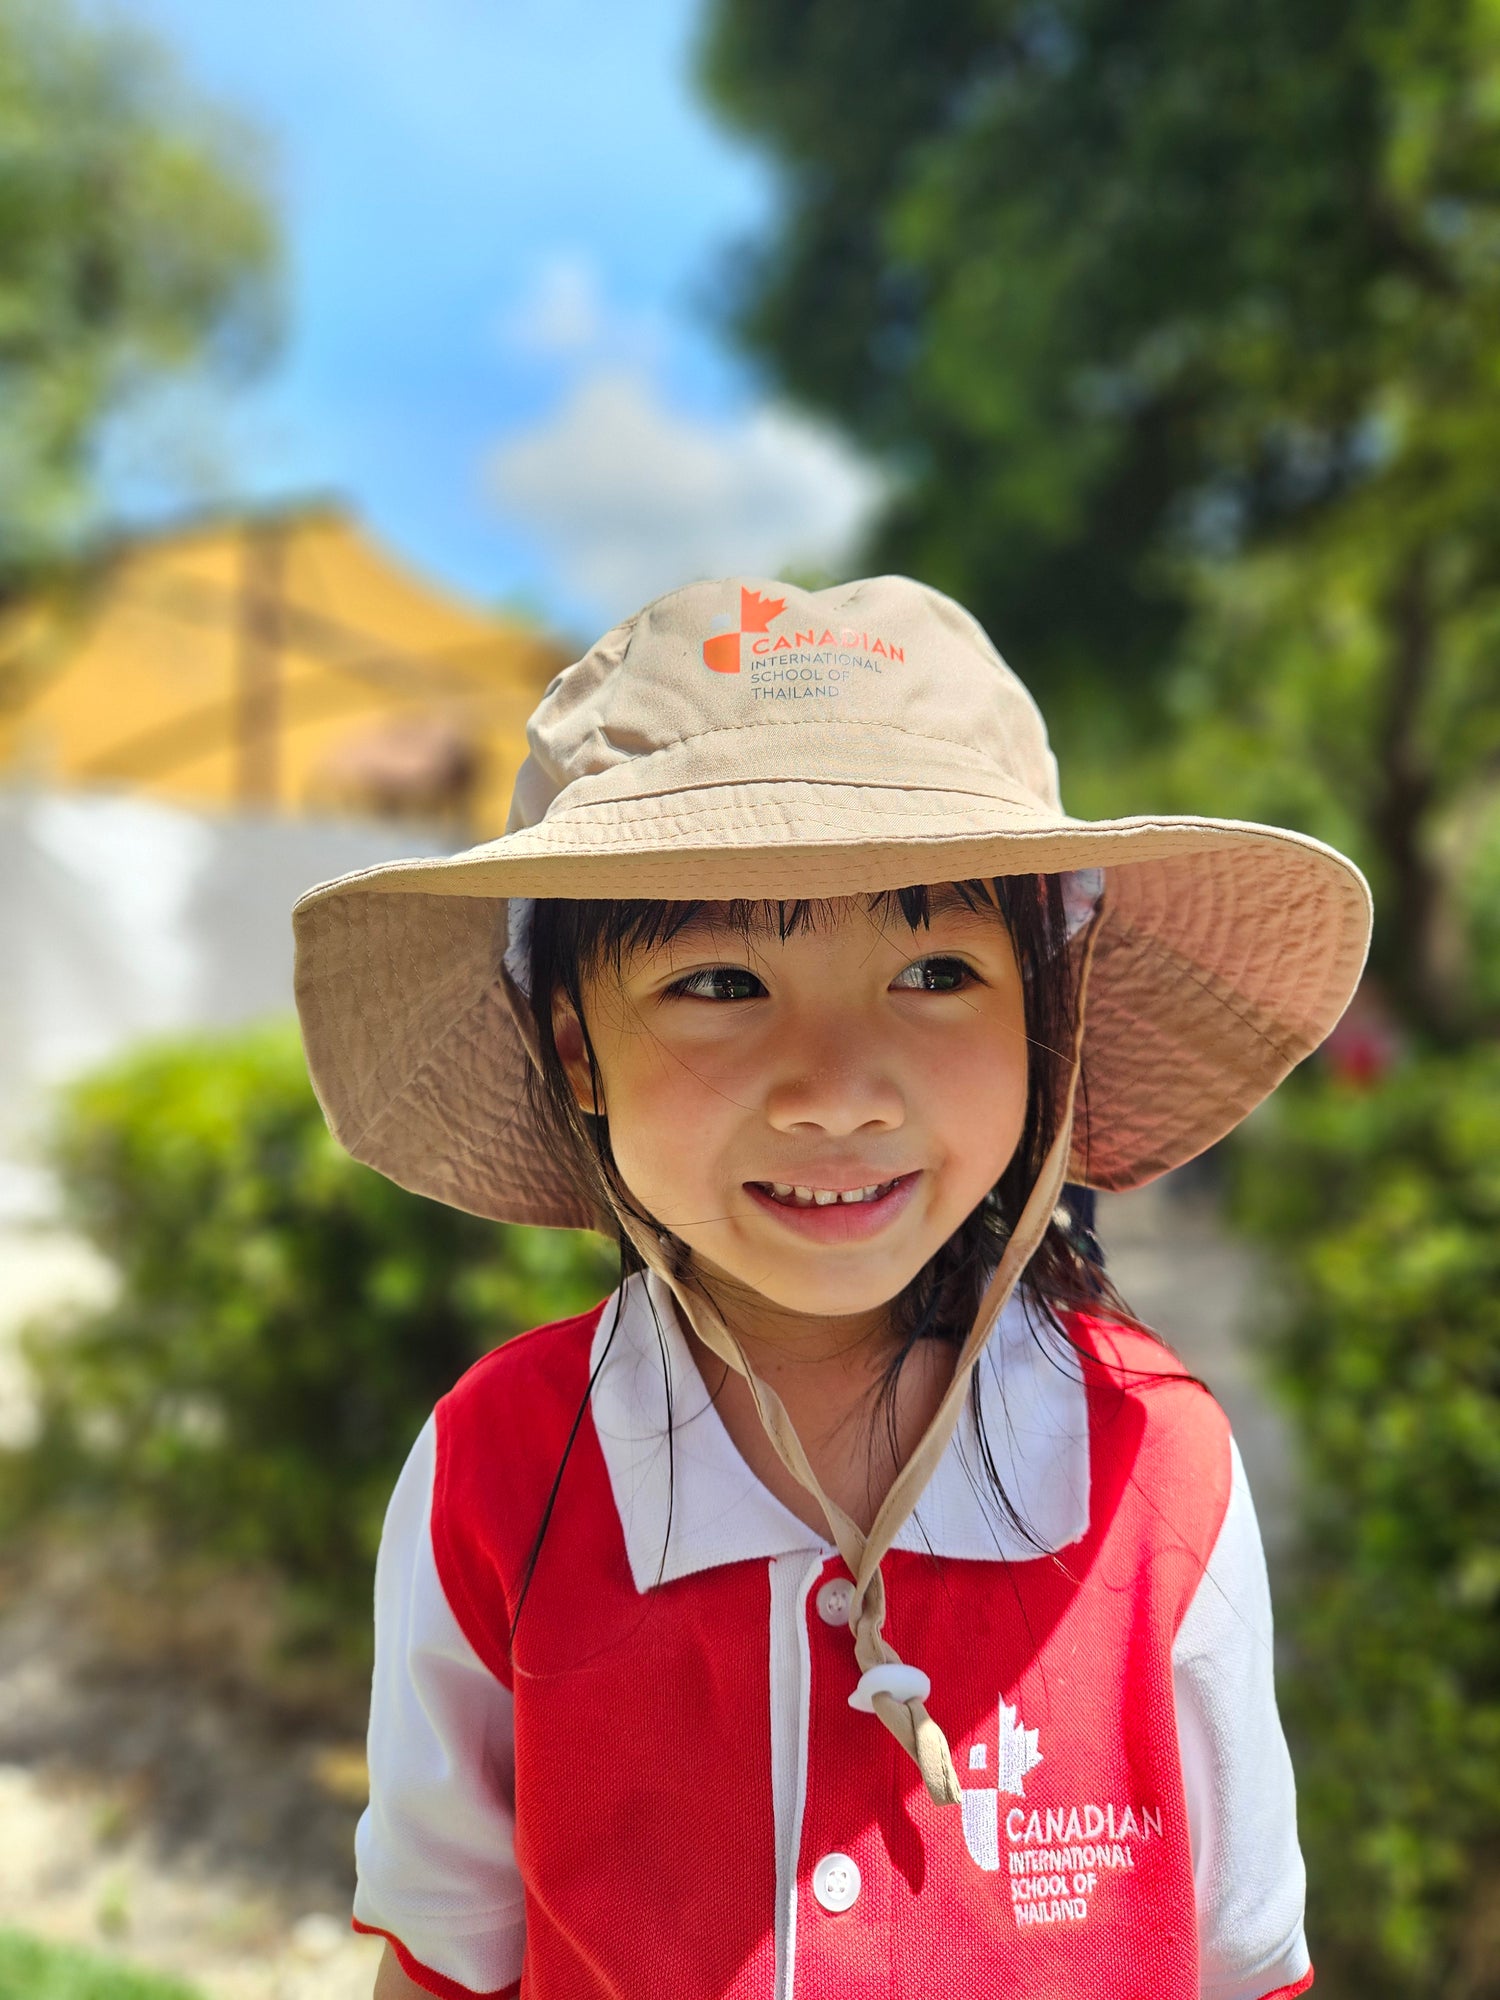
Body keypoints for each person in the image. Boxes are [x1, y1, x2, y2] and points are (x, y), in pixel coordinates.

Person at [291, 574, 1372, 2000]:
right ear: (574, 1050)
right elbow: (444, 1964)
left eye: (935, 968)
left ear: (1049, 1022)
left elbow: (1245, 1966)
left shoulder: (1155, 1469)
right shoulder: (502, 1474)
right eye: (720, 984)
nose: (839, 1092)